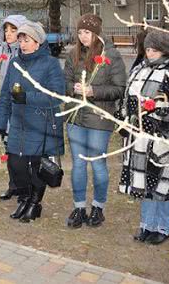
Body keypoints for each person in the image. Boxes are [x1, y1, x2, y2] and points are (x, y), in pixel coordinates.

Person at [118, 30, 169, 244]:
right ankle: (146, 225)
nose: (149, 54)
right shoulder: (140, 68)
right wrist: (123, 117)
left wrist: (160, 112)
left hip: (163, 138)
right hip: (139, 137)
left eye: (154, 50)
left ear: (165, 50)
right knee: (144, 183)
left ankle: (163, 227)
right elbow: (127, 96)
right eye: (147, 49)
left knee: (163, 185)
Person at [0, 21, 64, 222]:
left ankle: (34, 203)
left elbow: (57, 96)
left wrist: (28, 97)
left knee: (35, 166)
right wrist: (0, 120)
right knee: (16, 165)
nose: (22, 44)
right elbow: (6, 94)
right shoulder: (15, 63)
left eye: (27, 40)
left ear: (38, 42)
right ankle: (25, 198)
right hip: (17, 123)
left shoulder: (50, 63)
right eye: (21, 39)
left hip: (40, 123)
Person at [63, 14, 127, 228]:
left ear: (97, 33)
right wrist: (72, 88)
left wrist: (93, 91)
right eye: (80, 32)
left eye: (87, 33)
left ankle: (98, 207)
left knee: (98, 163)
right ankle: (79, 207)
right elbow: (64, 82)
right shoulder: (73, 54)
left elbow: (119, 89)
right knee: (78, 164)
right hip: (76, 118)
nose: (83, 37)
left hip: (99, 118)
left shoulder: (111, 56)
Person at [0, 14, 27, 201]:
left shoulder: (25, 51)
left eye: (13, 30)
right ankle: (13, 185)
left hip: (20, 106)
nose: (9, 34)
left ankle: (24, 186)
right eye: (6, 30)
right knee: (8, 146)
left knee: (21, 148)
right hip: (4, 105)